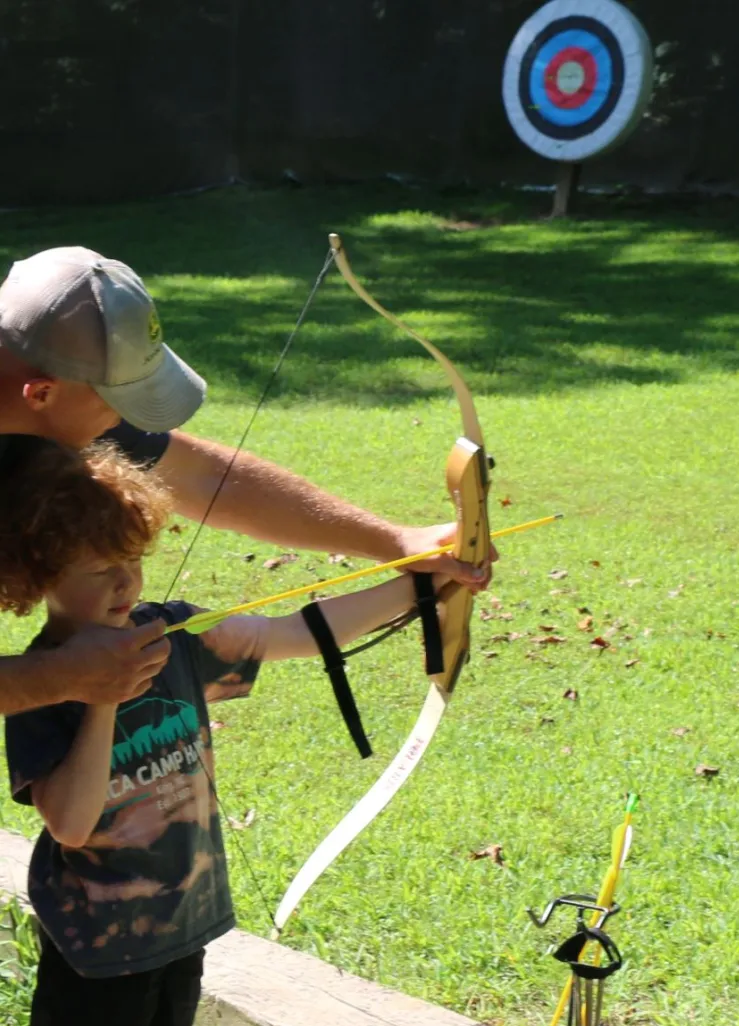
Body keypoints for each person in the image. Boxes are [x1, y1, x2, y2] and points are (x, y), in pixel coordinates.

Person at [0, 441, 448, 1026]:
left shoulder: (175, 635)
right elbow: (73, 823)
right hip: (99, 947)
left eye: (133, 560)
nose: (127, 584)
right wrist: (100, 695)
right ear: (41, 578)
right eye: (99, 570)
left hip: (180, 926)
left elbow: (297, 632)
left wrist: (426, 587)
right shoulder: (38, 686)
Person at [0, 245, 488, 718]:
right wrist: (58, 677)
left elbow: (208, 479)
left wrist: (396, 542)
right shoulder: (53, 409)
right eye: (116, 403)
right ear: (40, 393)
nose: (124, 421)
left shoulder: (53, 407)